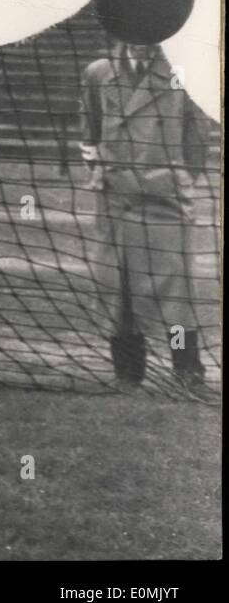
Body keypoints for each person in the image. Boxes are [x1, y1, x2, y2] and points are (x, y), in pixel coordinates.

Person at [80, 38, 211, 398]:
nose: (139, 42)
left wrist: (172, 179)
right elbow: (89, 134)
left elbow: (197, 141)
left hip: (164, 199)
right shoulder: (98, 72)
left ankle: (187, 371)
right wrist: (104, 175)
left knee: (175, 292)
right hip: (116, 199)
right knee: (117, 288)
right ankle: (127, 374)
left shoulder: (183, 73)